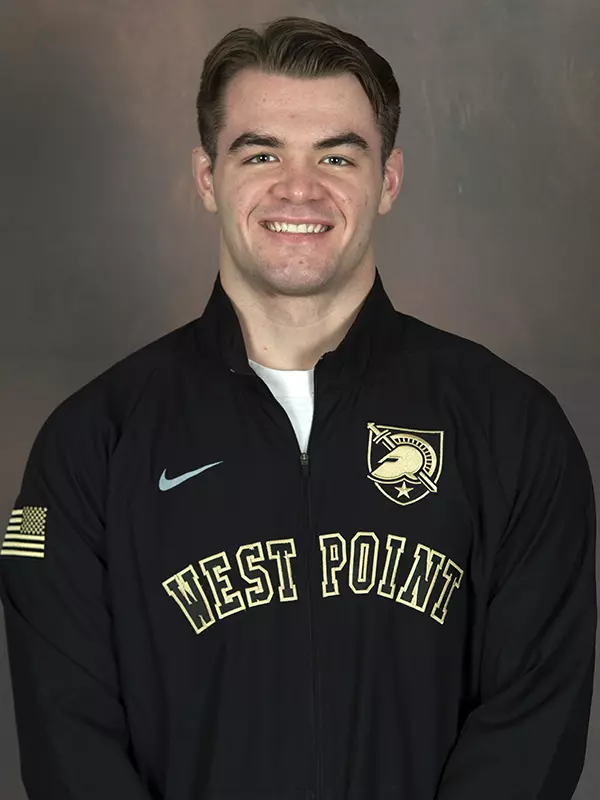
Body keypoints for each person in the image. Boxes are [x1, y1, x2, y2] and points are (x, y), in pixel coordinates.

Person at [0, 15, 596, 800]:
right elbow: (69, 740)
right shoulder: (87, 447)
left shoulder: (513, 428)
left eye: (337, 155)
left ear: (388, 179)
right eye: (261, 153)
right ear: (209, 176)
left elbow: (532, 729)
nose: (299, 188)